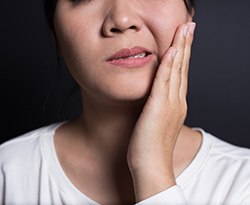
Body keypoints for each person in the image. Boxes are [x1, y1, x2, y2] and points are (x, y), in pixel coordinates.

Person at [0, 0, 250, 204]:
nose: (122, 19)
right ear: (56, 33)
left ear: (189, 17)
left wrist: (152, 170)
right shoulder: (7, 175)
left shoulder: (242, 182)